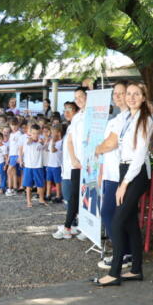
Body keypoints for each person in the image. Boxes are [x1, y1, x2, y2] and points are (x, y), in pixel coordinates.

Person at [92, 82, 153, 286]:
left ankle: (115, 273)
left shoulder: (145, 120)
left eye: (137, 94)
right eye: (129, 94)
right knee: (129, 223)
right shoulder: (127, 118)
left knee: (117, 222)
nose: (131, 97)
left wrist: (124, 183)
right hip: (124, 170)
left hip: (135, 174)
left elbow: (139, 156)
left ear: (144, 97)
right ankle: (136, 270)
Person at [95, 80, 131, 267]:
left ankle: (121, 253)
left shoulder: (129, 118)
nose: (117, 96)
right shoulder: (116, 119)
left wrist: (98, 148)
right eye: (115, 93)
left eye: (121, 93)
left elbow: (110, 144)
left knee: (109, 213)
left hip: (120, 175)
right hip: (110, 173)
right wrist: (101, 170)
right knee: (116, 215)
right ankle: (126, 251)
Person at [52, 89, 86, 239]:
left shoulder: (85, 117)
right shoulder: (73, 123)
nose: (66, 112)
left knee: (76, 198)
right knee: (72, 198)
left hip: (81, 165)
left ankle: (71, 226)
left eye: (69, 109)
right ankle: (72, 225)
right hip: (70, 167)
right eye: (64, 109)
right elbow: (70, 144)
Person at [19, 124, 46, 207]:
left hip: (38, 166)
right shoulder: (27, 140)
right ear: (30, 133)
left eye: (37, 133)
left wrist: (43, 143)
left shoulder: (41, 141)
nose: (35, 135)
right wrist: (21, 160)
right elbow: (27, 143)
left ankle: (41, 199)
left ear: (40, 133)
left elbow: (45, 148)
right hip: (29, 166)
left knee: (40, 184)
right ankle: (29, 201)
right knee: (28, 185)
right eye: (33, 133)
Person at [44, 125, 63, 202]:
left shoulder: (60, 142)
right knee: (48, 180)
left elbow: (53, 150)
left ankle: (58, 195)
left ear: (58, 133)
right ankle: (48, 194)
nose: (52, 134)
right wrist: (47, 141)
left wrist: (53, 142)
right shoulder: (52, 140)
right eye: (51, 132)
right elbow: (47, 149)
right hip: (50, 164)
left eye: (53, 132)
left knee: (57, 181)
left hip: (56, 165)